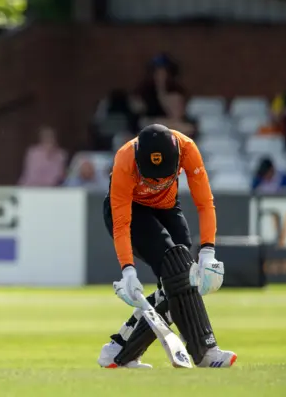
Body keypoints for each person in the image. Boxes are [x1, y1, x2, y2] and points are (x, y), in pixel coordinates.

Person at [97, 124, 237, 369]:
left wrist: (207, 252)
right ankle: (205, 351)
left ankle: (119, 350)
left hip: (167, 207)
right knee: (178, 270)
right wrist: (128, 270)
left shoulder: (187, 149)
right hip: (132, 212)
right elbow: (121, 223)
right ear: (139, 162)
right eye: (151, 175)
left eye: (164, 174)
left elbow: (205, 203)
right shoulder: (124, 159)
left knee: (180, 281)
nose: (158, 180)